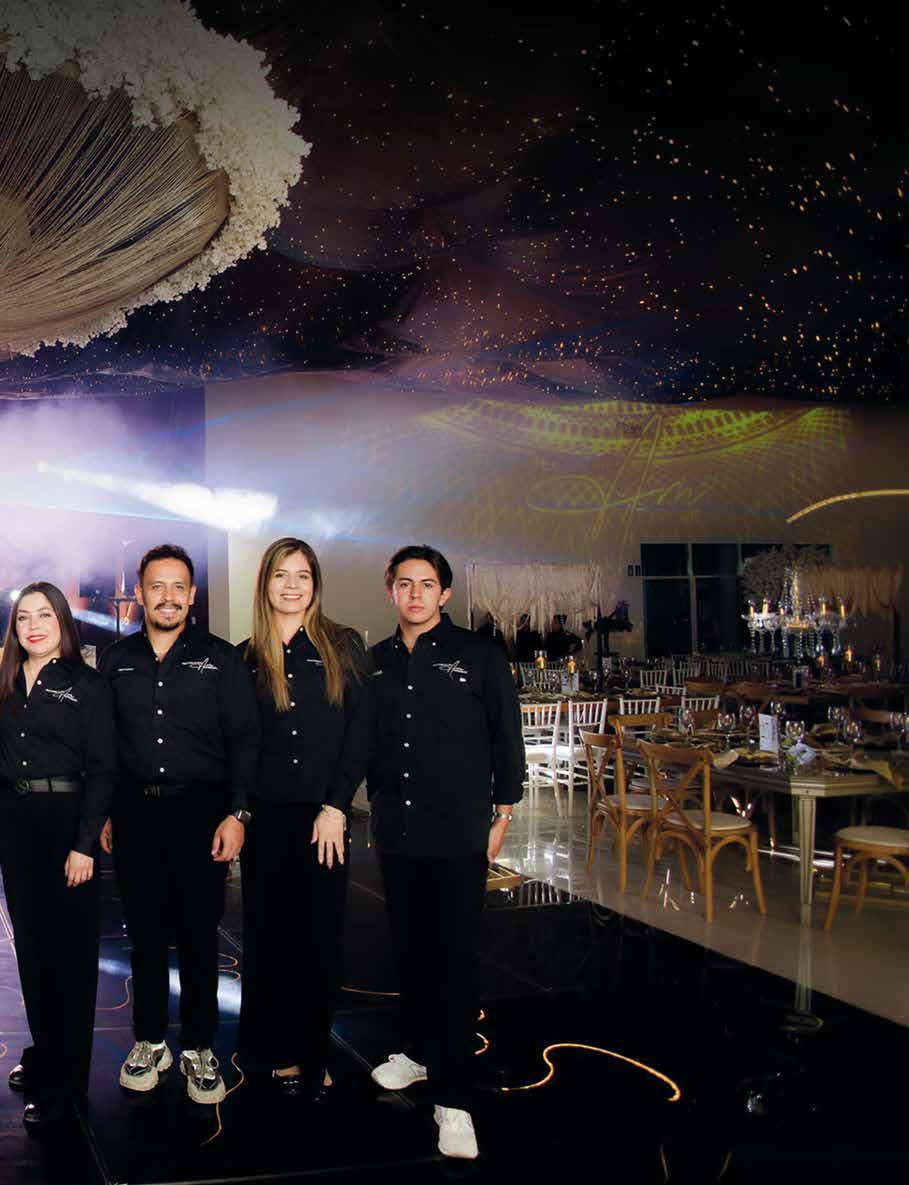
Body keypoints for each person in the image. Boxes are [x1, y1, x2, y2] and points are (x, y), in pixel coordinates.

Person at [336, 544, 524, 1160]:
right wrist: (345, 802)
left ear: (444, 594)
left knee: (454, 962)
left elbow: (507, 736)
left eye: (426, 584)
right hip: (399, 832)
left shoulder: (479, 655)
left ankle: (455, 1098)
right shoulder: (376, 663)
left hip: (458, 833)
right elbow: (362, 742)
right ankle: (417, 1053)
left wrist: (503, 812)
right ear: (391, 591)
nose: (414, 594)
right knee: (412, 953)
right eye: (404, 584)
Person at [98, 544, 259, 1105]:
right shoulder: (116, 660)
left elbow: (245, 741)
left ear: (192, 594)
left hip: (202, 815)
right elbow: (104, 746)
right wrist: (105, 811)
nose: (167, 596)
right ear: (140, 594)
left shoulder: (221, 659)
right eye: (156, 586)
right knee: (144, 935)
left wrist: (238, 814)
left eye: (177, 586)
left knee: (197, 934)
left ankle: (197, 1045)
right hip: (136, 815)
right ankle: (149, 1041)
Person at [237, 537, 366, 1100]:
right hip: (265, 818)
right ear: (264, 583)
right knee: (269, 938)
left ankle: (314, 1055)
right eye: (280, 575)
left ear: (315, 584)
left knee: (318, 939)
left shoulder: (343, 645)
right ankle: (275, 1049)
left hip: (322, 819)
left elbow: (360, 733)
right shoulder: (245, 656)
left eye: (302, 575)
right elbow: (240, 744)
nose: (291, 585)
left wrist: (337, 806)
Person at [0, 583, 116, 1128]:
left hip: (67, 826)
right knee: (32, 952)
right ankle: (45, 1054)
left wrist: (83, 844)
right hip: (16, 827)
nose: (34, 625)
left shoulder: (85, 684)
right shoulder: (4, 682)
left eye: (44, 614)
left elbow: (104, 769)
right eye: (24, 617)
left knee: (70, 959)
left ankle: (68, 1084)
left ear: (62, 621)